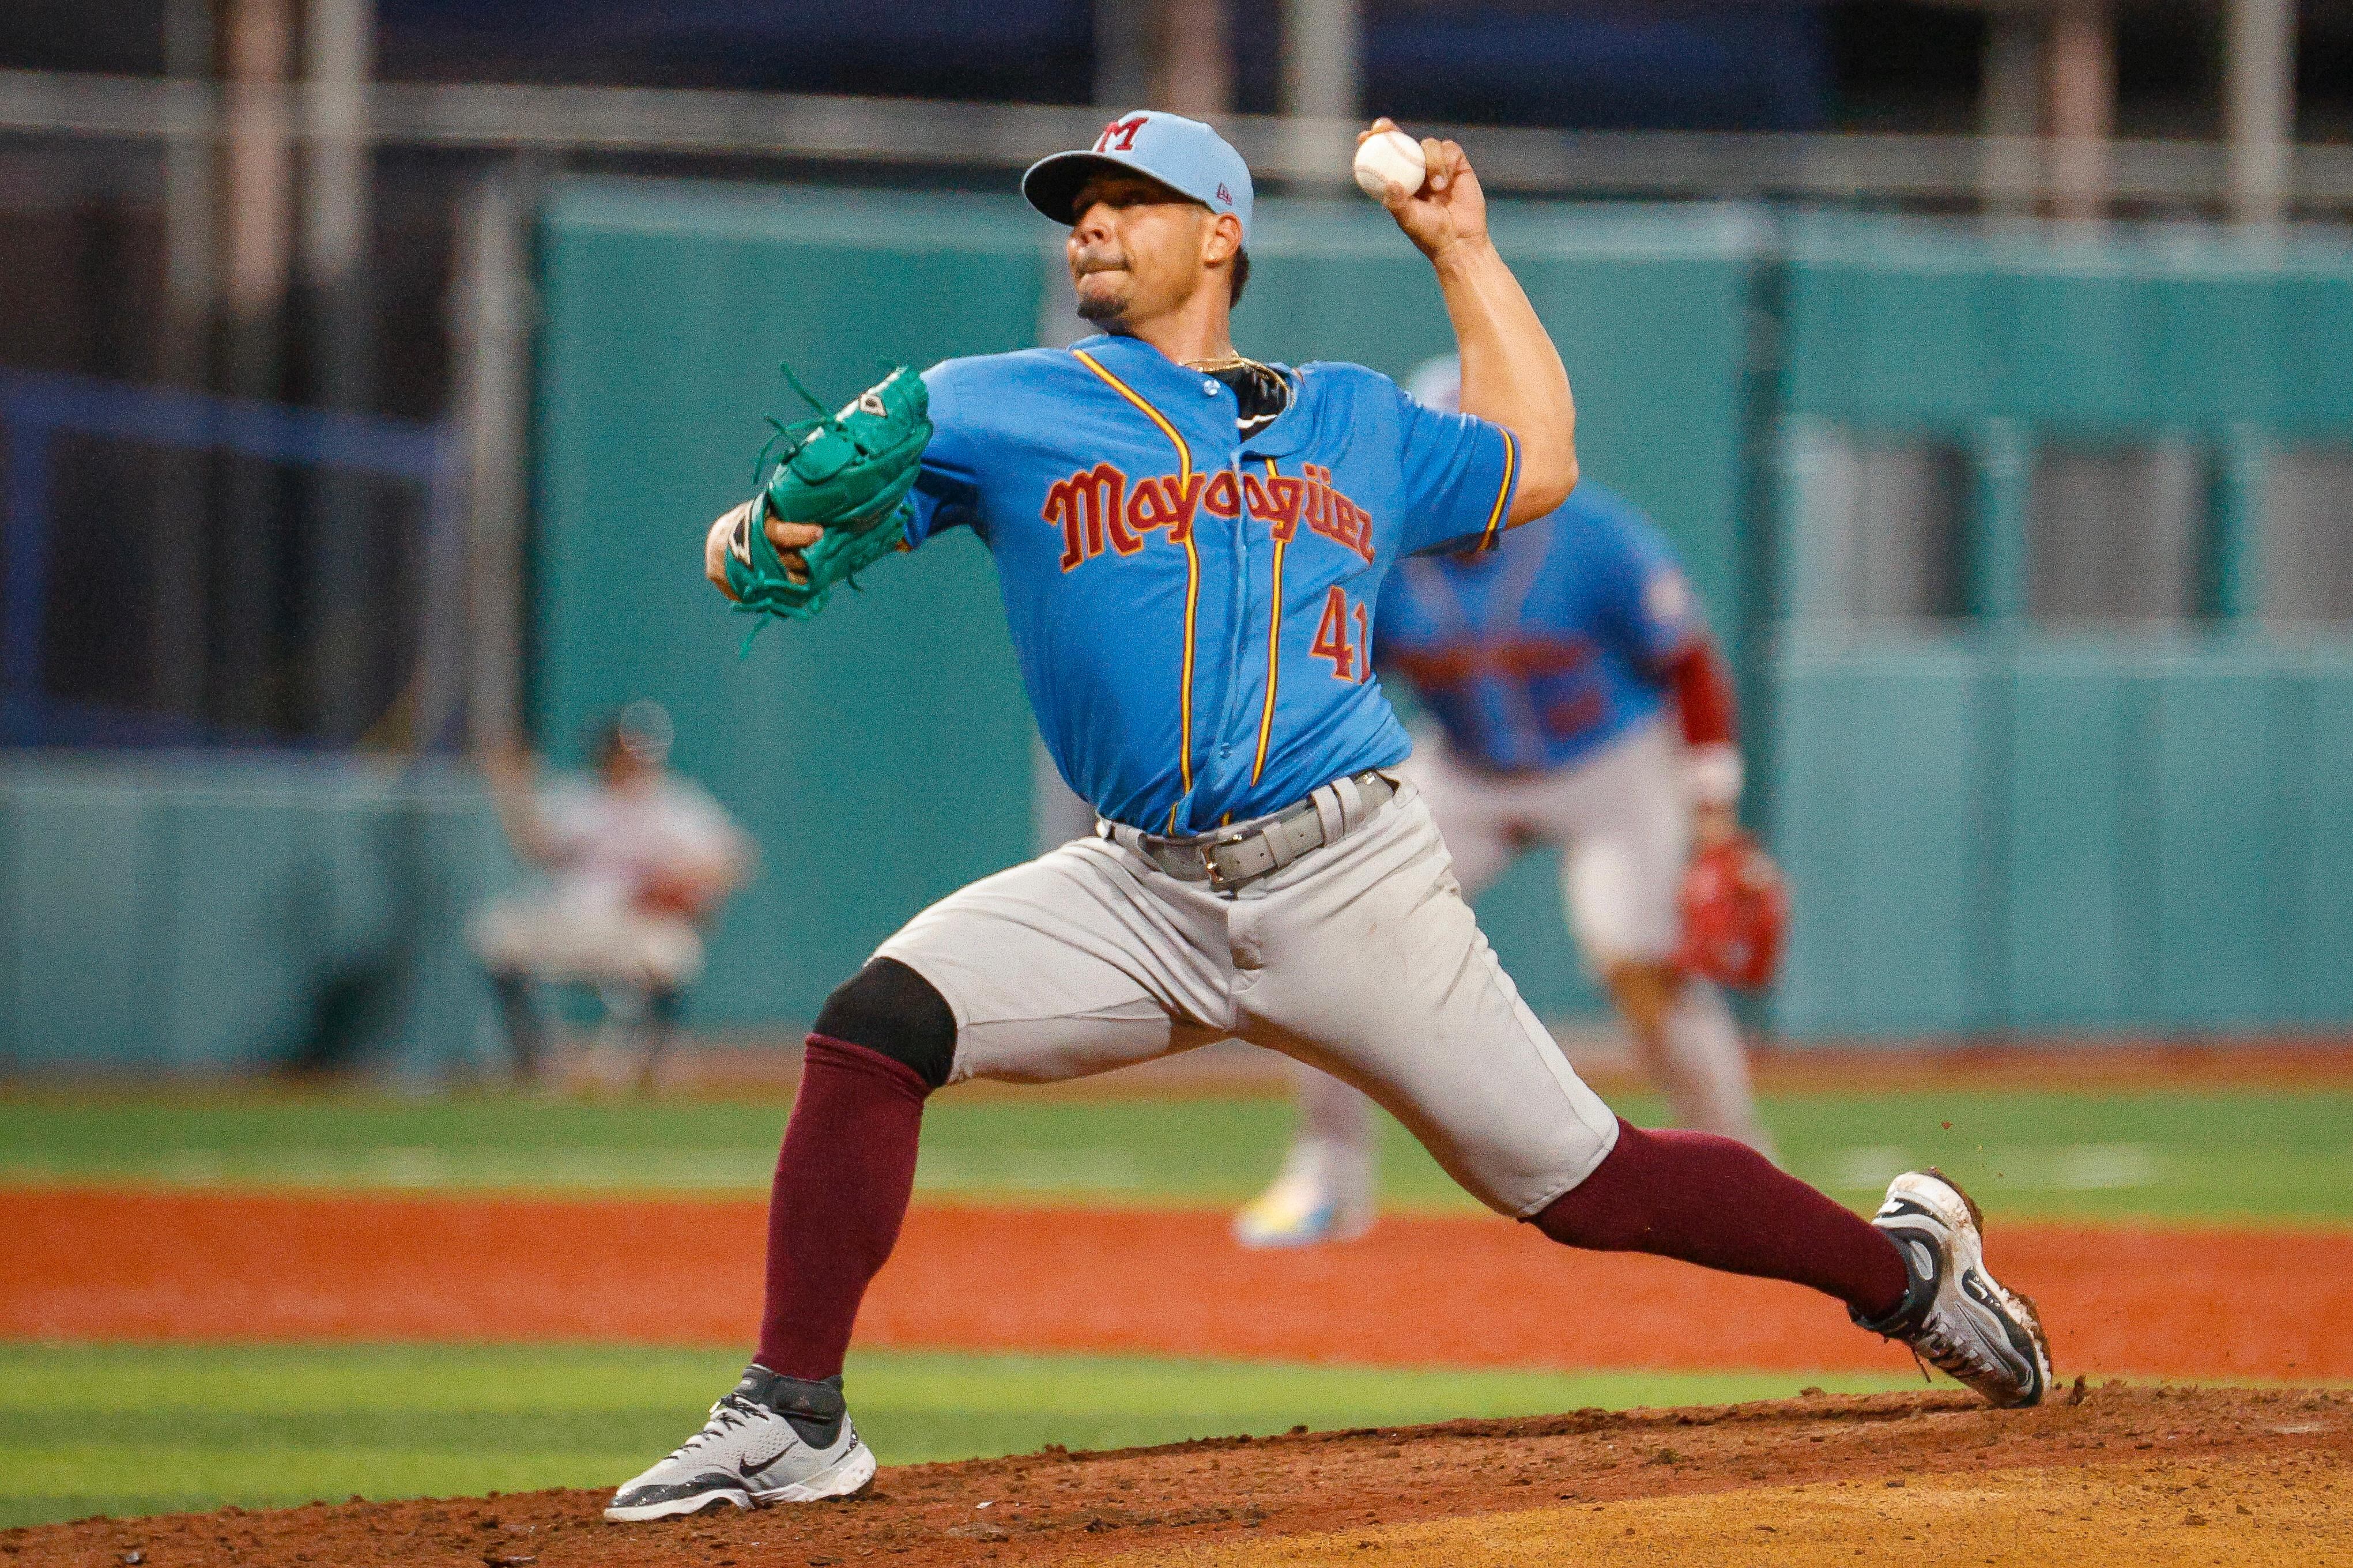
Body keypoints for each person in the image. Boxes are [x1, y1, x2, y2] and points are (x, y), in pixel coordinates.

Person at [606, 110, 2050, 1524]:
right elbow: (752, 549)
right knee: (876, 1028)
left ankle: (1909, 1275)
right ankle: (793, 1413)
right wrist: (760, 532)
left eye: (1130, 199)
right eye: (1078, 206)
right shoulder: (992, 402)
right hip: (1136, 890)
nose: (1091, 224)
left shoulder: (1353, 414)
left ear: (1218, 235)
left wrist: (1460, 249)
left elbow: (1538, 456)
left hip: (1353, 875)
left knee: (1589, 1185)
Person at [1232, 355, 1771, 1249]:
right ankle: (1329, 1172)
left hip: (1609, 767)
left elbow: (1687, 663)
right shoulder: (1376, 551)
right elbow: (1335, 684)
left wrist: (1711, 809)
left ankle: (1743, 1173)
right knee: (1324, 926)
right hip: (1468, 767)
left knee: (1637, 960)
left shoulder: (1588, 532)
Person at [473, 700, 751, 1089]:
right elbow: (537, 846)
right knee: (496, 937)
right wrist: (512, 789)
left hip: (632, 922)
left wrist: (675, 883)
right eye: (623, 747)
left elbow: (735, 860)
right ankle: (533, 1062)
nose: (631, 757)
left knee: (673, 953)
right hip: (569, 919)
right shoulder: (580, 797)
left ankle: (651, 1066)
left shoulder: (673, 803)